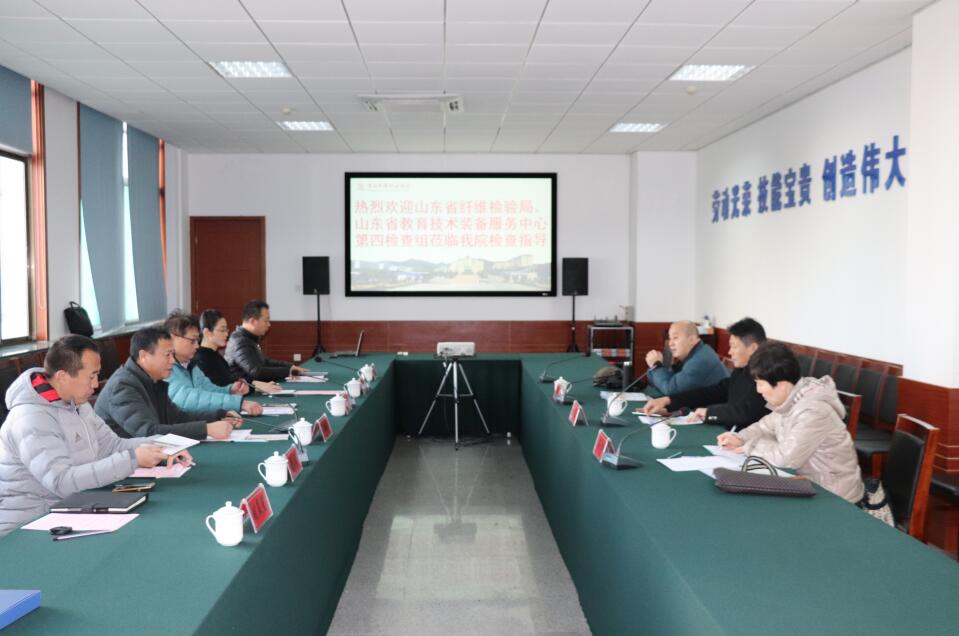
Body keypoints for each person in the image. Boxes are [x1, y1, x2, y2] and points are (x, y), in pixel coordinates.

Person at [0, 335, 191, 538]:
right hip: (28, 522)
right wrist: (133, 459)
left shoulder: (77, 403)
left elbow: (111, 445)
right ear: (62, 376)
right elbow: (61, 482)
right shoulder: (30, 418)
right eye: (91, 376)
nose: (96, 385)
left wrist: (162, 445)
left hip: (70, 508)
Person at [717, 341, 864, 504]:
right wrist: (740, 438)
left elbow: (785, 459)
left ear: (781, 385)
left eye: (760, 384)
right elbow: (763, 427)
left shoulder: (813, 410)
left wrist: (749, 447)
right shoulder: (791, 399)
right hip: (807, 485)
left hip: (834, 497)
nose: (758, 390)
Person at [95, 327, 239, 440]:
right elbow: (148, 433)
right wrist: (206, 430)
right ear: (144, 356)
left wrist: (218, 415)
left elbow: (176, 417)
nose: (172, 361)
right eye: (167, 355)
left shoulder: (153, 379)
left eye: (172, 354)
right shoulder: (122, 386)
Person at [642, 317, 769, 430]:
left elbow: (747, 412)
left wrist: (710, 413)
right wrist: (669, 401)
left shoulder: (767, 374)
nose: (730, 352)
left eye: (734, 346)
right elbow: (714, 392)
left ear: (753, 348)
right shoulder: (742, 369)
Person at [165, 311, 263, 416]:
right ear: (173, 338)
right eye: (192, 341)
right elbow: (190, 398)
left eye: (197, 340)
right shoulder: (165, 368)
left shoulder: (191, 365)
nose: (197, 346)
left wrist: (230, 390)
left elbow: (209, 390)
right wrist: (238, 403)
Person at [225, 300, 309, 382]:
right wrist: (288, 372)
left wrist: (289, 367)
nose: (269, 324)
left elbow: (264, 362)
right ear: (253, 321)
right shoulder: (240, 341)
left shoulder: (249, 338)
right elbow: (256, 372)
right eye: (266, 321)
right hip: (243, 389)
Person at [644, 320, 728, 395]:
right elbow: (658, 383)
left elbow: (670, 390)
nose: (670, 343)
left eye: (675, 338)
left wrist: (657, 365)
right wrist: (661, 365)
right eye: (669, 338)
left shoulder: (700, 359)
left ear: (691, 340)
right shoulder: (693, 353)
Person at [195, 308, 247, 390]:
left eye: (226, 330)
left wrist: (247, 384)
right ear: (207, 332)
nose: (226, 334)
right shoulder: (201, 359)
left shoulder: (216, 355)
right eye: (222, 330)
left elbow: (229, 379)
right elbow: (221, 387)